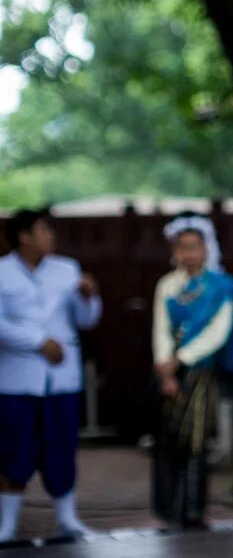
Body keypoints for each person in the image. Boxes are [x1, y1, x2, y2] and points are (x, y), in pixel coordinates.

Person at [0, 208, 101, 541]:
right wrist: (38, 343)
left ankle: (68, 520)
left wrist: (90, 298)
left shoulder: (67, 269)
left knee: (61, 448)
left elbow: (86, 320)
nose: (51, 236)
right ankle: (7, 525)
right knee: (14, 450)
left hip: (61, 379)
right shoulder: (2, 273)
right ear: (24, 236)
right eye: (44, 230)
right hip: (17, 379)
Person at [151, 212, 233, 529]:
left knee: (194, 441)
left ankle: (194, 510)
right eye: (183, 247)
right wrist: (165, 367)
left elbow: (217, 333)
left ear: (206, 249)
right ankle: (169, 509)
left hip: (199, 373)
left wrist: (181, 359)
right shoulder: (167, 285)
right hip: (168, 371)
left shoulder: (221, 287)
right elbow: (160, 328)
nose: (189, 253)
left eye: (195, 247)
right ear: (175, 250)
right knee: (167, 440)